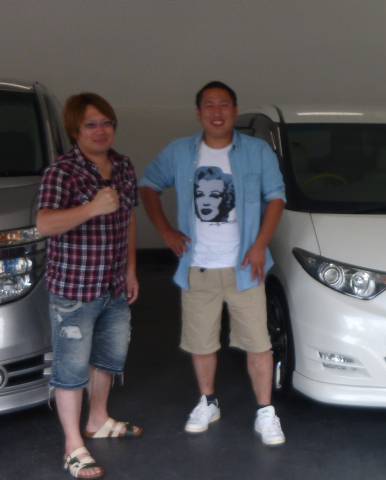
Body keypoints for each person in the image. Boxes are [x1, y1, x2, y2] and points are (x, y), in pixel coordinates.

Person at [139, 80, 286, 446]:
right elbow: (149, 185)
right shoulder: (180, 152)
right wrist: (166, 231)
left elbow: (276, 198)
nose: (217, 112)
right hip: (198, 267)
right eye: (209, 105)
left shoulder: (257, 151)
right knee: (201, 342)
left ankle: (265, 411)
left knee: (259, 344)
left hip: (246, 267)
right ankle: (208, 401)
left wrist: (260, 246)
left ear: (235, 111)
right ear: (198, 113)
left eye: (224, 105)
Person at [37, 93, 141, 479]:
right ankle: (72, 447)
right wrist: (91, 208)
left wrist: (131, 269)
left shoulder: (123, 166)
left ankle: (97, 420)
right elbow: (44, 223)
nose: (101, 131)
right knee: (71, 368)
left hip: (113, 285)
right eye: (91, 125)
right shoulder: (61, 172)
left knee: (108, 358)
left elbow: (129, 219)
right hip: (75, 290)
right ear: (75, 131)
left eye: (106, 123)